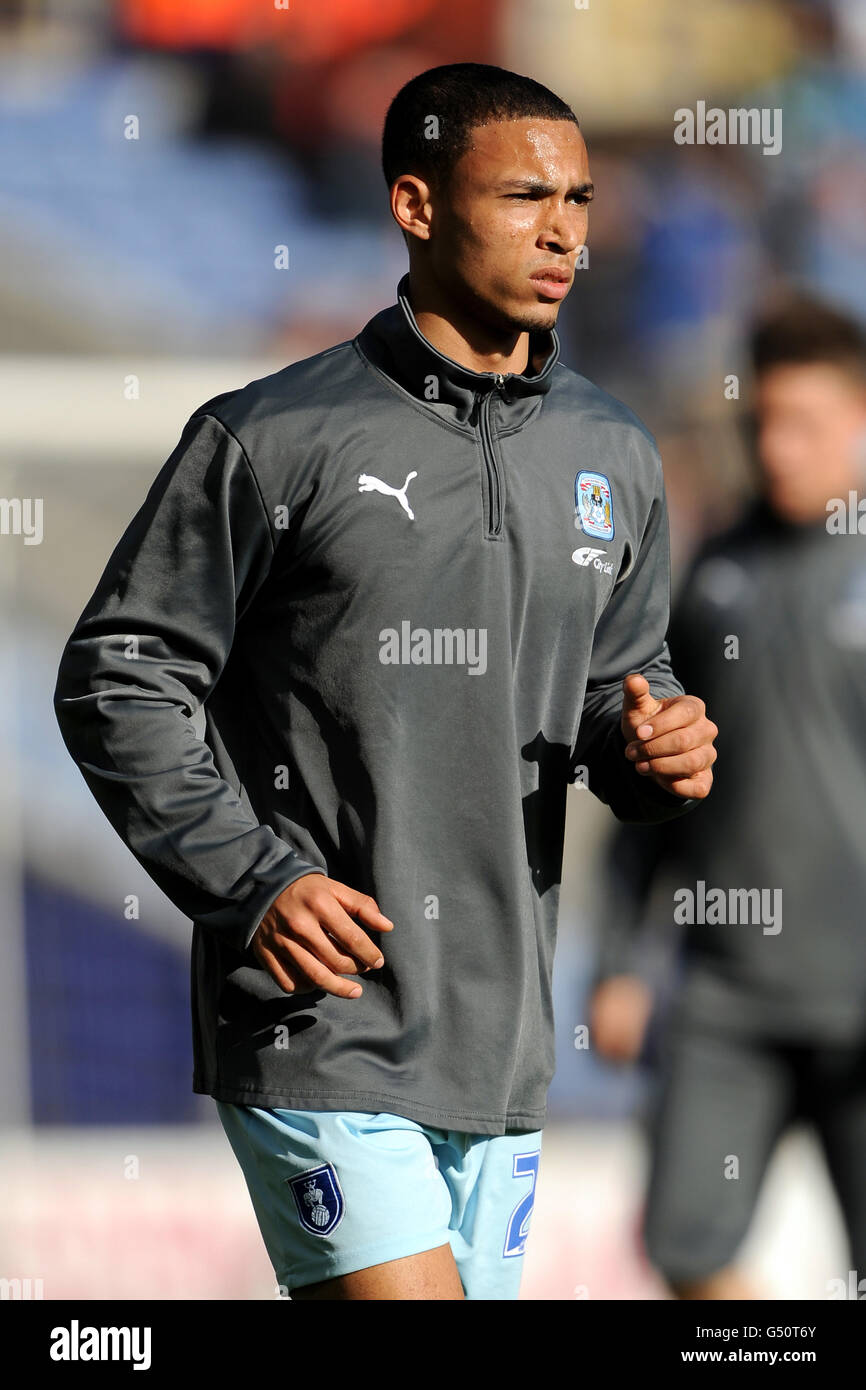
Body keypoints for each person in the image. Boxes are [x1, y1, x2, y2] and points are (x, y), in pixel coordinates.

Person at [53, 62, 717, 1301]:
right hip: (324, 1015)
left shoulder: (612, 452)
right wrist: (252, 881)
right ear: (414, 205)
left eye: (577, 196)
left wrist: (653, 746)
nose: (563, 229)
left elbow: (616, 686)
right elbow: (120, 674)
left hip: (502, 1031)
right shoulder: (271, 436)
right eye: (523, 195)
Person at [590, 296, 866, 1300]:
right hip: (728, 993)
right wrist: (621, 959)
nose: (778, 449)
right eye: (762, 425)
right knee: (684, 1248)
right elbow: (654, 783)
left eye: (804, 423)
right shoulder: (711, 575)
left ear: (857, 417)